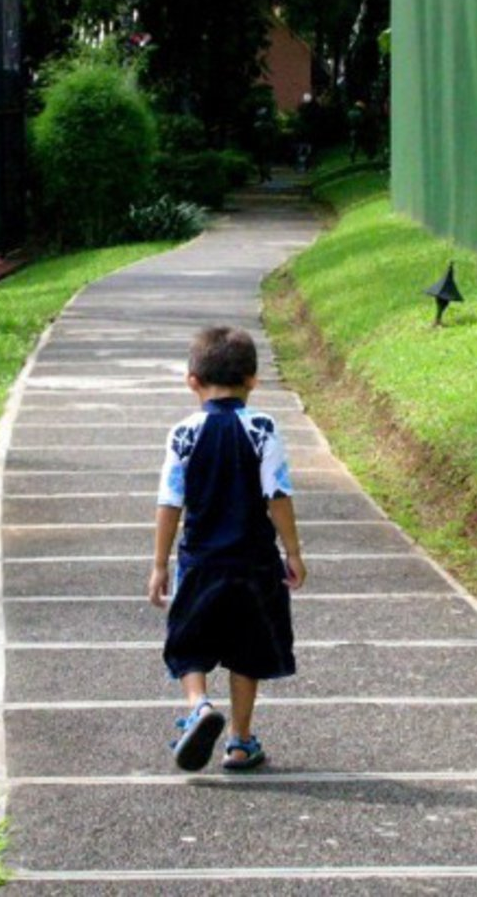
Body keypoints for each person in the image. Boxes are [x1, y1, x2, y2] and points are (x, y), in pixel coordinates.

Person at [148, 326, 306, 771]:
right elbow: (277, 495)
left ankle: (198, 706)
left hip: (200, 561)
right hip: (255, 561)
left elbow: (170, 500)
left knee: (189, 641)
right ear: (253, 380)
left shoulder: (183, 433)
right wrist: (292, 552)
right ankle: (239, 741)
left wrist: (160, 564)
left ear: (192, 381)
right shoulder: (263, 428)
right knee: (248, 648)